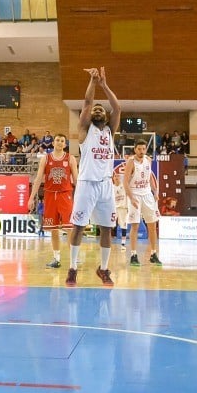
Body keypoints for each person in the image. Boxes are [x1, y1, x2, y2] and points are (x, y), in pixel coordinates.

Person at [66, 67, 121, 287]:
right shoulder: (85, 130)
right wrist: (92, 81)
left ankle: (104, 269)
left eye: (101, 109)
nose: (98, 110)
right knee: (78, 226)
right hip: (87, 183)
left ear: (105, 117)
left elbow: (117, 107)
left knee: (107, 228)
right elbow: (88, 103)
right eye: (95, 109)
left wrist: (104, 85)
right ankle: (72, 268)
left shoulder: (110, 131)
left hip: (106, 185)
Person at [28, 133, 77, 268]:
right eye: (57, 140)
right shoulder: (46, 158)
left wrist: (81, 199)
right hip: (50, 195)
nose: (60, 142)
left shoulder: (70, 158)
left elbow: (77, 180)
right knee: (54, 229)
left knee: (69, 228)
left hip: (65, 194)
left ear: (65, 144)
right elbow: (38, 179)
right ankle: (56, 259)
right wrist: (31, 197)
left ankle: (73, 259)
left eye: (62, 140)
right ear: (53, 143)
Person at [124, 139, 162, 266]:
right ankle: (133, 255)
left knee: (152, 225)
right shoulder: (131, 162)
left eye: (143, 149)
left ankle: (154, 254)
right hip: (134, 194)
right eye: (139, 149)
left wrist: (155, 191)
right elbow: (125, 182)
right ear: (135, 149)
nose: (141, 151)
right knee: (135, 226)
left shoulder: (148, 160)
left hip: (147, 194)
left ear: (146, 149)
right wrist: (131, 198)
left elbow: (150, 176)